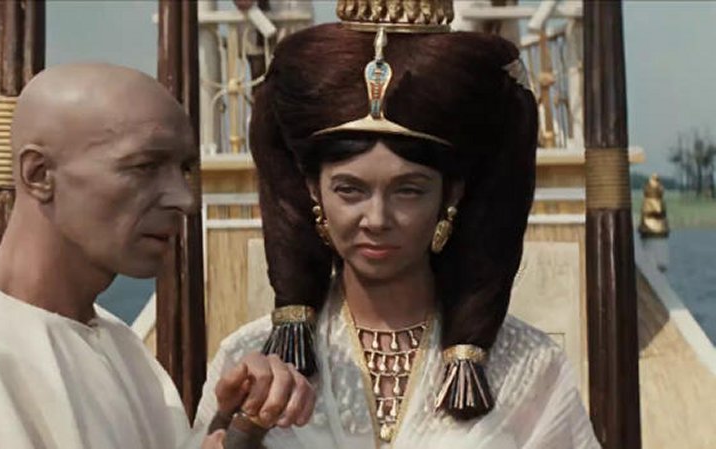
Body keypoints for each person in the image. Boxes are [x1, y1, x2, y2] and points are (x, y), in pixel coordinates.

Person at [192, 3, 600, 448]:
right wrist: (244, 430)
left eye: (408, 191)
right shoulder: (249, 360)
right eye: (350, 190)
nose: (377, 219)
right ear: (314, 191)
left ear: (451, 195)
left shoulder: (529, 367)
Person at [0, 63, 313, 449]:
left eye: (184, 169)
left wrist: (235, 424)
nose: (185, 200)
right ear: (39, 174)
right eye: (145, 167)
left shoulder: (120, 344)